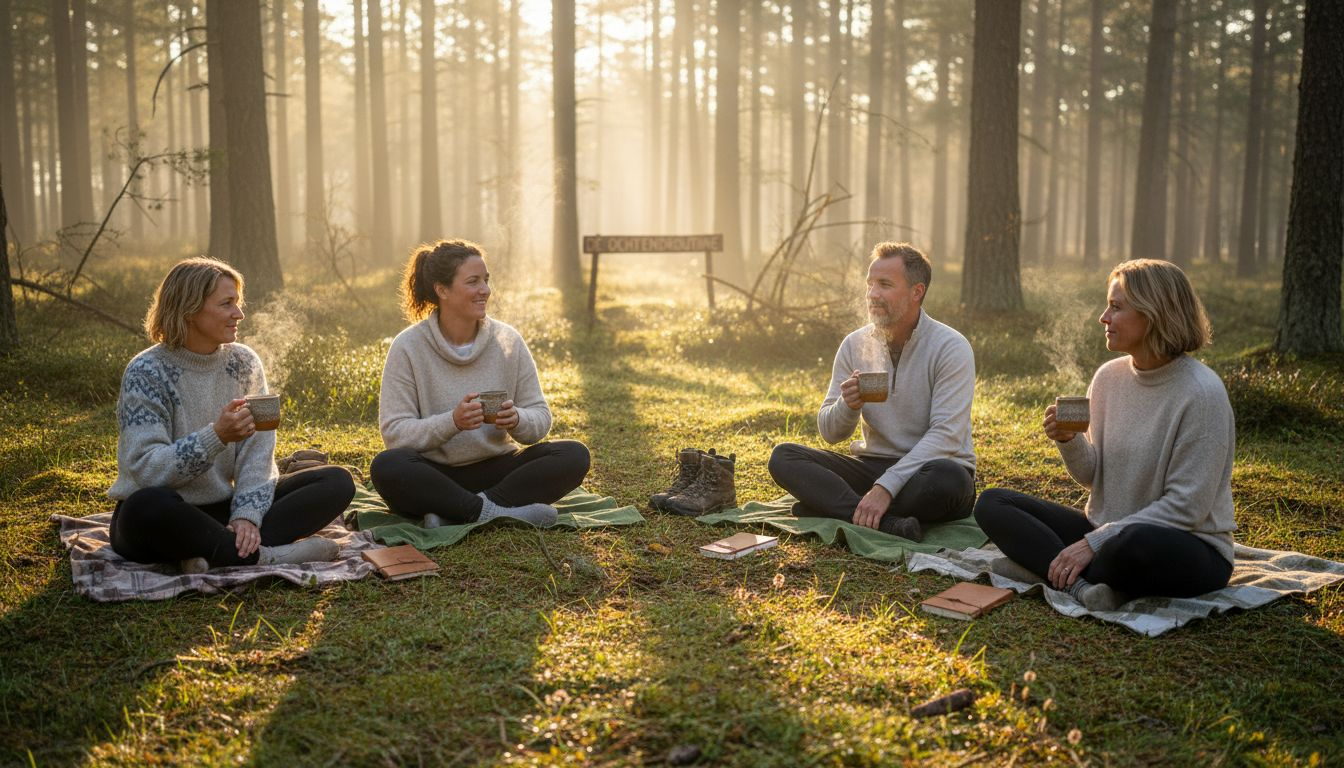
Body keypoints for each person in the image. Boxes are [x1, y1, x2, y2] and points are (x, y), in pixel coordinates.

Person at [973, 259, 1236, 612]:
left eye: (1116, 307)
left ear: (1153, 313)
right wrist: (1069, 440)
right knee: (992, 503)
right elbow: (1093, 476)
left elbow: (1187, 508)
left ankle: (1041, 566)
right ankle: (1081, 584)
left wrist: (1095, 542)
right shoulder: (1108, 377)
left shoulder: (1202, 393)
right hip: (1103, 531)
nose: (1103, 318)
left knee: (1125, 548)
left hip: (1183, 544)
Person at [109, 258, 355, 573]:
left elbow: (257, 457)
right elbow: (147, 470)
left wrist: (246, 516)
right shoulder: (146, 371)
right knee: (145, 507)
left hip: (223, 510)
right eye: (226, 304)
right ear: (189, 309)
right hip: (166, 512)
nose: (238, 314)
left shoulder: (244, 362)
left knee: (335, 482)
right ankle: (269, 557)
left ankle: (209, 553)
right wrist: (217, 436)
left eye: (237, 303)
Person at [370, 239, 590, 528]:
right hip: (436, 474)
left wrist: (517, 419)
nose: (485, 290)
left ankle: (462, 512)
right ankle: (495, 513)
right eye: (473, 282)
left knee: (574, 455)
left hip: (499, 471)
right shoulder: (408, 347)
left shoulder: (508, 340)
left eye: (486, 280)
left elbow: (540, 415)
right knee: (387, 466)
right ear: (442, 289)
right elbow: (395, 434)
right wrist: (452, 422)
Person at [767, 242, 977, 541]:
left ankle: (837, 507)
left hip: (929, 471)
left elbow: (947, 435)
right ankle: (887, 522)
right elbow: (830, 431)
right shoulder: (854, 344)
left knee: (948, 480)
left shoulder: (950, 347)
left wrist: (885, 488)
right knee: (784, 457)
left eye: (885, 285)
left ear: (917, 292)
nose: (872, 294)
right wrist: (848, 405)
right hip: (873, 468)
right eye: (870, 284)